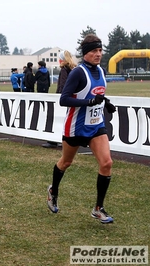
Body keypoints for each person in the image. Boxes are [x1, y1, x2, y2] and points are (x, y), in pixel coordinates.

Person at [46, 34, 116, 224]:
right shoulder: (78, 72)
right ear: (85, 53)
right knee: (66, 162)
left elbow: (98, 94)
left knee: (106, 163)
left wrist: (106, 103)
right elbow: (64, 99)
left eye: (100, 50)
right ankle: (53, 191)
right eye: (94, 50)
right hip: (76, 127)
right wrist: (90, 102)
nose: (98, 54)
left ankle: (98, 208)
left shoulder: (101, 71)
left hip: (96, 126)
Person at [42, 50, 77, 148]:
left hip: (63, 98)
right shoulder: (74, 68)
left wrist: (59, 95)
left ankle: (54, 141)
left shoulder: (64, 70)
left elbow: (63, 85)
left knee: (56, 119)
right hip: (71, 98)